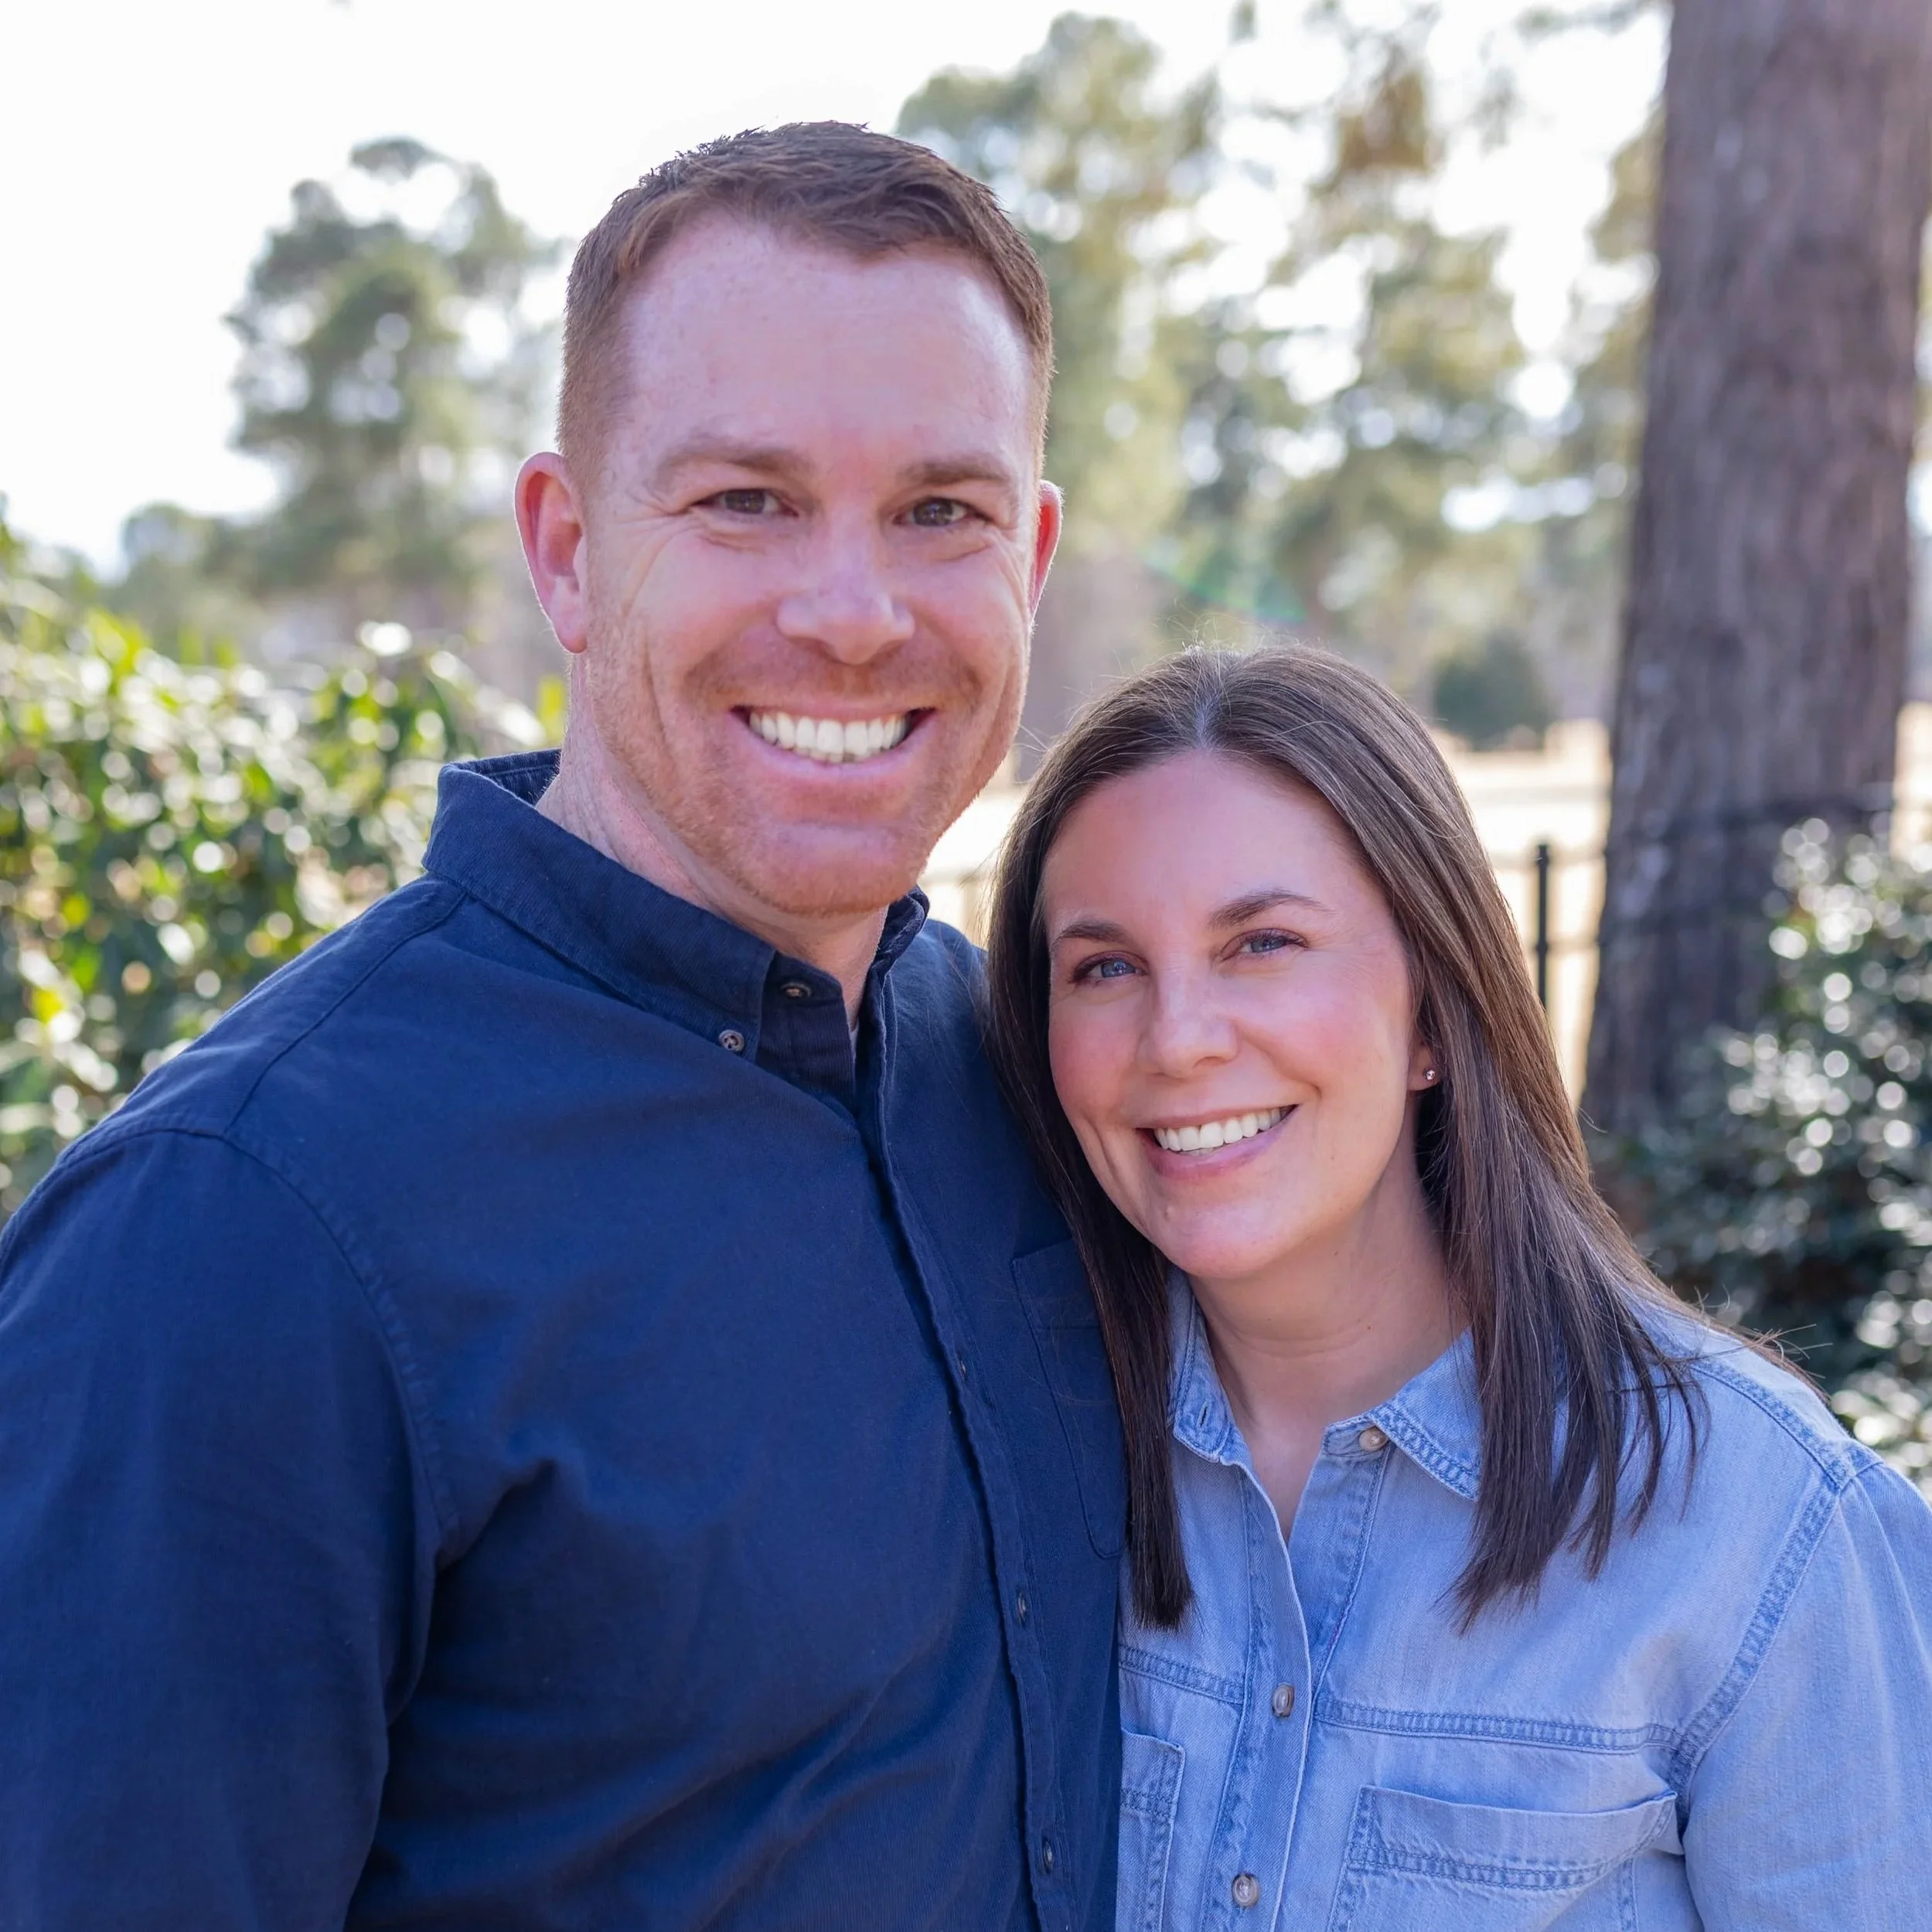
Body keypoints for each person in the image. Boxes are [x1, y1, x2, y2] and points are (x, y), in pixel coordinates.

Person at [0, 124, 1125, 1931]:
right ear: (570, 549)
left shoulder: (1020, 1063)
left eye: (941, 510)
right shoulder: (238, 1231)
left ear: (1033, 557)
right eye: (743, 500)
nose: (852, 612)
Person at [983, 645, 1932, 1931]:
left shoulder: (1755, 1522)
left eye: (1261, 941)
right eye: (1103, 965)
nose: (1178, 1038)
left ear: (1433, 1014)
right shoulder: (1021, 1462)